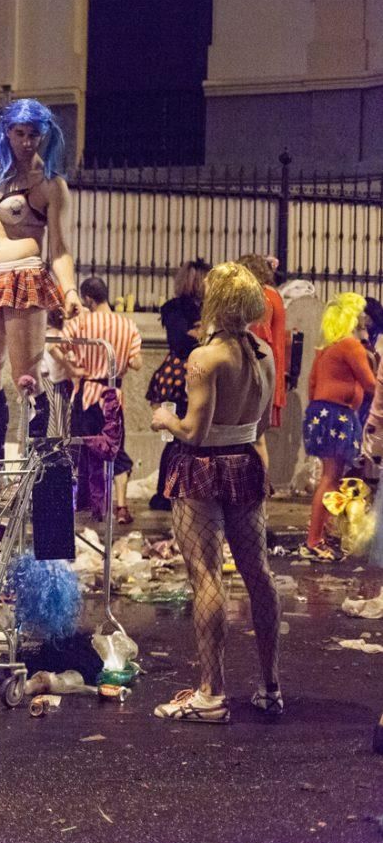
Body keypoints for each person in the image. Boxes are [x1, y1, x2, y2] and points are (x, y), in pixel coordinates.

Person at [150, 262, 281, 723]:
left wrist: (165, 419)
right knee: (258, 573)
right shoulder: (264, 352)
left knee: (206, 577)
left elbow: (194, 432)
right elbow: (262, 425)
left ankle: (211, 693)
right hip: (246, 465)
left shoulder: (206, 358)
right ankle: (270, 685)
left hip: (203, 471)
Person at [0, 99, 79, 464]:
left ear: (44, 136)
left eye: (34, 134)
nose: (27, 142)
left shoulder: (50, 184)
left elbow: (59, 249)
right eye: (20, 133)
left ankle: (37, 462)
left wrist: (70, 290)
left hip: (26, 277)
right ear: (7, 132)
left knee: (25, 374)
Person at [63, 276, 142, 523]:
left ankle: (89, 504)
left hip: (87, 394)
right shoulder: (128, 325)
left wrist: (72, 367)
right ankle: (121, 507)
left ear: (88, 299)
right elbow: (136, 363)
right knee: (115, 450)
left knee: (86, 449)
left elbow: (59, 343)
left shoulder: (83, 323)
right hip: (113, 397)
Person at [302, 292, 373, 561]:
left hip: (321, 414)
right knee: (331, 478)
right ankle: (314, 539)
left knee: (330, 476)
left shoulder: (328, 347)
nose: (365, 320)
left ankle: (322, 532)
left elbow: (312, 385)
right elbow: (370, 384)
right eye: (361, 315)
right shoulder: (350, 346)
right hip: (337, 415)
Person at [146, 259, 209, 511]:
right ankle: (166, 491)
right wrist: (201, 334)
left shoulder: (200, 309)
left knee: (184, 437)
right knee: (175, 437)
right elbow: (180, 342)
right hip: (179, 378)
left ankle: (176, 489)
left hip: (190, 373)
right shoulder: (176, 309)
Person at [239, 255, 288, 427]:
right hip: (272, 365)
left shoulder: (262, 296)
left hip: (262, 369)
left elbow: (258, 335)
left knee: (253, 434)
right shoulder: (273, 293)